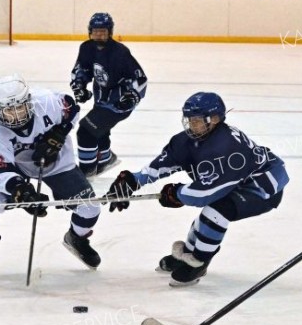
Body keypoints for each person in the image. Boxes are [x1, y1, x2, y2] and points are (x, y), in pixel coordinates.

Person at [106, 92, 289, 287]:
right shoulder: (187, 141)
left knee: (217, 210)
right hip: (237, 181)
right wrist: (133, 181)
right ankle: (189, 254)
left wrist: (175, 194)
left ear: (215, 119)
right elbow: (165, 163)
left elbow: (203, 194)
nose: (192, 125)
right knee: (211, 212)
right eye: (189, 120)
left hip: (262, 187)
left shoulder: (226, 146)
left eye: (197, 120)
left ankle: (199, 262)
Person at [0, 74, 102, 276]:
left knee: (91, 207)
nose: (15, 115)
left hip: (57, 163)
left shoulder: (48, 102)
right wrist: (21, 192)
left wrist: (59, 133)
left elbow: (72, 108)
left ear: (29, 101)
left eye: (20, 108)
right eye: (8, 110)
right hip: (17, 168)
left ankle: (77, 238)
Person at [70, 13, 147, 178]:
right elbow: (82, 69)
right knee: (100, 130)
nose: (99, 35)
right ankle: (105, 158)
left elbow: (139, 78)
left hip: (118, 101)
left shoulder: (120, 52)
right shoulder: (86, 48)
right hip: (101, 98)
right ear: (90, 31)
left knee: (86, 131)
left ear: (110, 32)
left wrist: (131, 96)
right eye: (96, 31)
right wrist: (80, 86)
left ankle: (87, 171)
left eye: (103, 31)